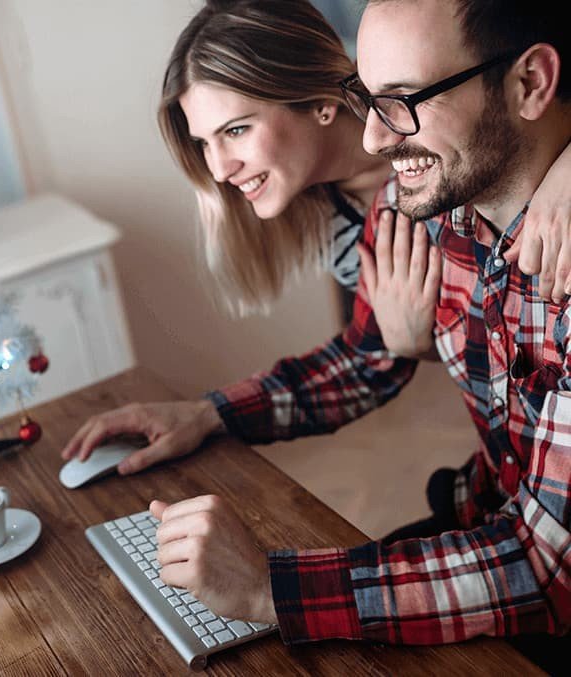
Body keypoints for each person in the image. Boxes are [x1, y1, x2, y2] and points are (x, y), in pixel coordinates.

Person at [61, 0, 570, 665]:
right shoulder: (440, 201)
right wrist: (208, 413)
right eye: (372, 100)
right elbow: (366, 357)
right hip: (488, 508)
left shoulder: (466, 185)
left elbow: (541, 566)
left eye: (236, 130)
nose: (376, 142)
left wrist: (272, 588)